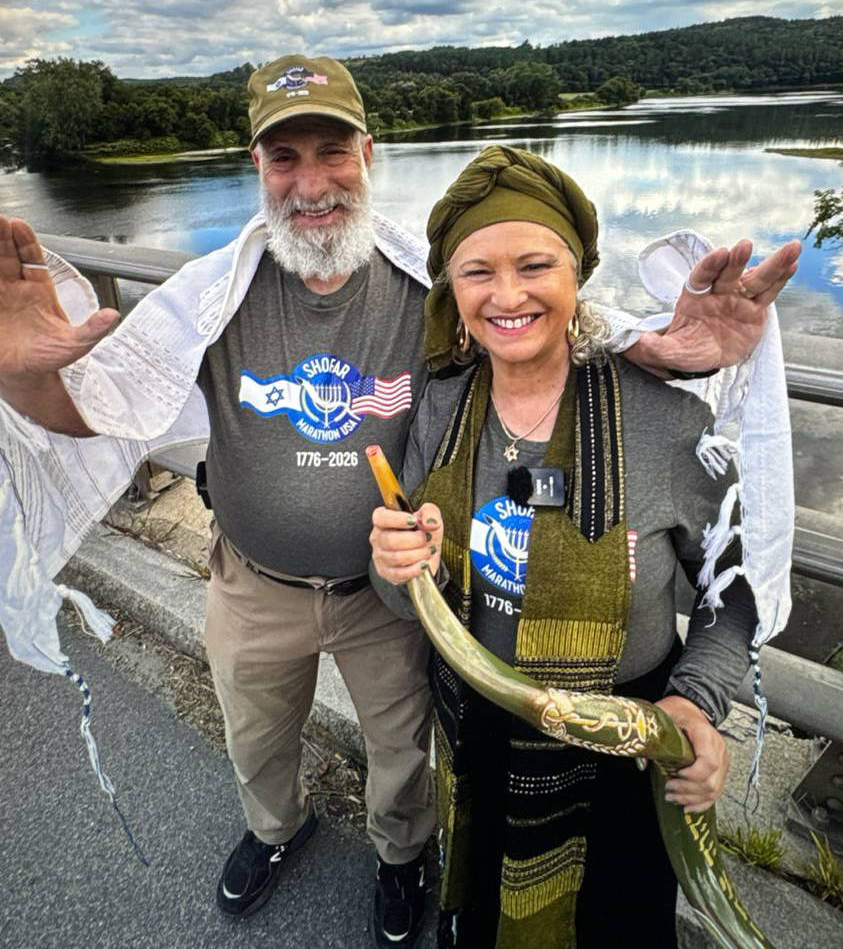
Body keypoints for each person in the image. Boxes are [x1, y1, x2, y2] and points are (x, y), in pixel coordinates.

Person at [0, 57, 799, 949]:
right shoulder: (212, 303)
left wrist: (665, 354)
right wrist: (18, 374)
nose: (311, 183)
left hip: (437, 627)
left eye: (331, 151)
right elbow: (100, 408)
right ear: (255, 167)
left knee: (406, 761)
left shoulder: (450, 306)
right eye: (284, 157)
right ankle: (276, 831)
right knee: (258, 738)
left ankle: (398, 856)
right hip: (279, 593)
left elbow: (565, 331)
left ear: (368, 154)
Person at [369, 145, 777, 948]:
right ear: (450, 287)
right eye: (477, 271)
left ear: (577, 273)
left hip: (622, 749)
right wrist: (394, 566)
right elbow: (408, 596)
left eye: (534, 265)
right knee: (482, 911)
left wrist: (694, 702)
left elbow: (734, 592)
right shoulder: (442, 406)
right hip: (475, 725)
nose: (507, 294)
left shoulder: (663, 422)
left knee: (617, 926)